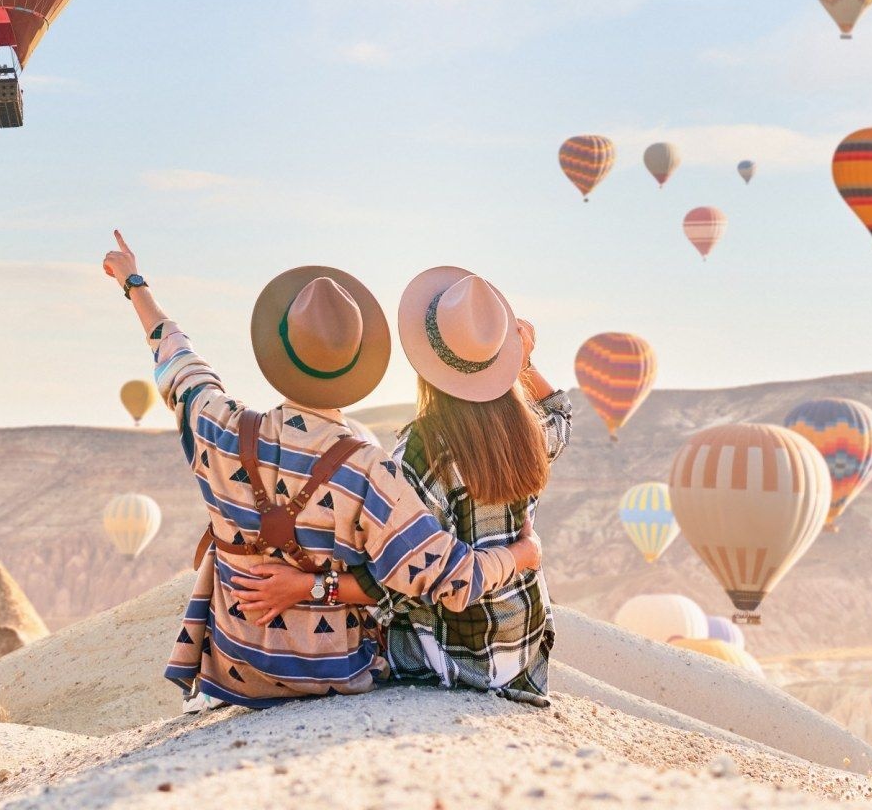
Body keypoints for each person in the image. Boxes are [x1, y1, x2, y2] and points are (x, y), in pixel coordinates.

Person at [101, 236, 543, 710]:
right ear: (357, 362)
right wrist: (524, 553)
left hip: (237, 667)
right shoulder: (371, 472)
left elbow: (179, 360)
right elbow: (454, 582)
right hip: (334, 674)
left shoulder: (219, 424)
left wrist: (134, 283)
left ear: (279, 349)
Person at [232, 266, 571, 705]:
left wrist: (304, 588)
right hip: (522, 646)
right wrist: (523, 365)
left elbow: (392, 580)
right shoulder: (528, 428)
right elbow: (560, 415)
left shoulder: (422, 450)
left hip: (454, 656)